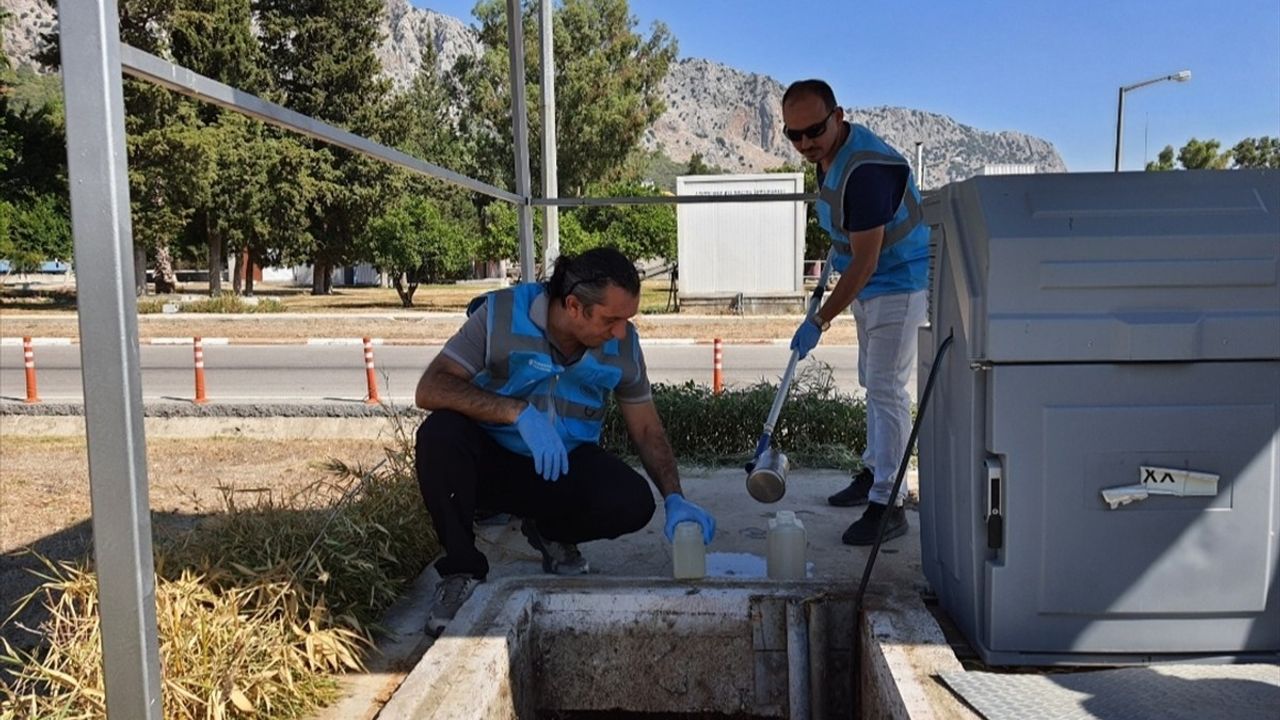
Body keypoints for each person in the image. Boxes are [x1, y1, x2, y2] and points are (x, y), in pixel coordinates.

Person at [414, 246, 717, 636]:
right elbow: (430, 387)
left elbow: (646, 429)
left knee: (633, 502)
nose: (621, 331)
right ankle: (461, 569)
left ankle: (552, 533)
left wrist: (675, 496)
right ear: (574, 306)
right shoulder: (499, 316)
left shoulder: (624, 345)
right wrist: (516, 413)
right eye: (612, 320)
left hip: (562, 466)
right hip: (491, 465)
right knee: (440, 434)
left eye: (627, 319)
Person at [781, 79, 929, 546]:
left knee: (886, 388)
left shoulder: (866, 171)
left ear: (839, 116)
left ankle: (890, 502)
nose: (805, 143)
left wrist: (819, 320)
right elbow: (845, 231)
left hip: (898, 283)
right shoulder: (828, 157)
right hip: (872, 285)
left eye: (813, 130)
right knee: (872, 380)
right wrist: (830, 269)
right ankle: (873, 472)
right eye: (794, 135)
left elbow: (866, 263)